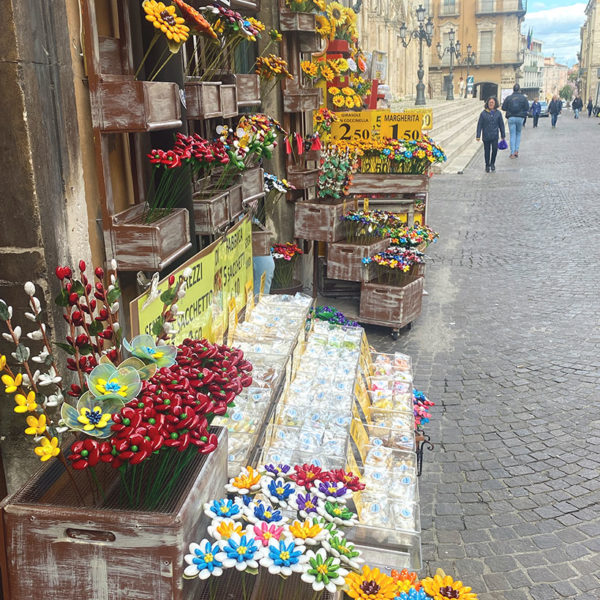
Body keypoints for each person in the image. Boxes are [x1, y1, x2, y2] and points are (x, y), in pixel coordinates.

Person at [476, 96, 506, 173]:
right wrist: (478, 135)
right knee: (487, 151)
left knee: (495, 150)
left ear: (495, 103)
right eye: (490, 102)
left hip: (495, 135)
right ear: (487, 104)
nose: (491, 104)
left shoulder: (498, 113)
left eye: (492, 102)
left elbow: (501, 124)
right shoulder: (483, 113)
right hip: (486, 136)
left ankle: (492, 163)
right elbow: (480, 125)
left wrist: (503, 135)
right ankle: (487, 165)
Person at [501, 83, 529, 158]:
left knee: (512, 135)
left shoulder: (509, 98)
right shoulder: (523, 98)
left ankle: (512, 152)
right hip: (520, 117)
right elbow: (527, 107)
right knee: (518, 134)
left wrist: (509, 109)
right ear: (519, 89)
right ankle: (516, 150)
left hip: (511, 117)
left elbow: (503, 107)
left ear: (513, 89)